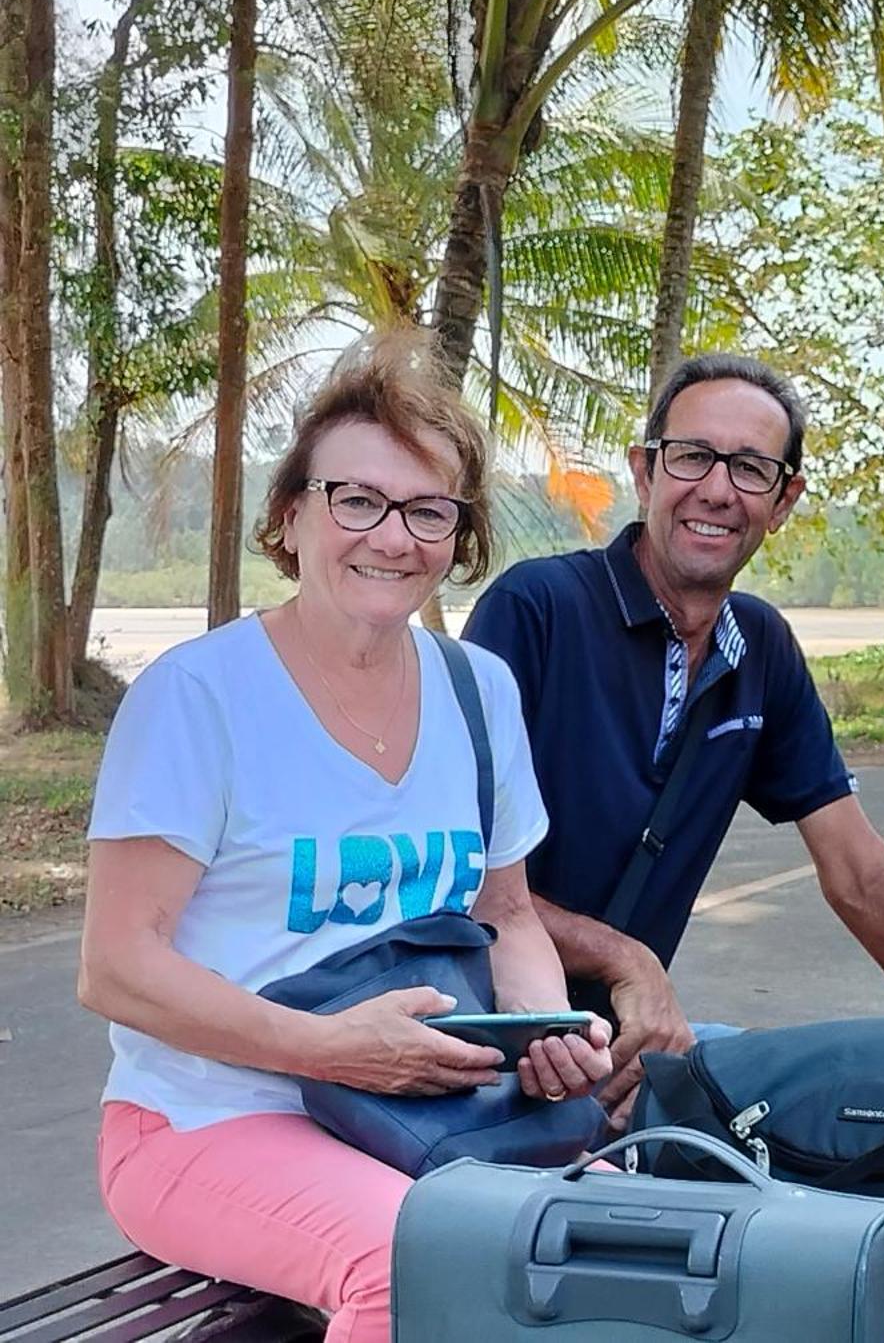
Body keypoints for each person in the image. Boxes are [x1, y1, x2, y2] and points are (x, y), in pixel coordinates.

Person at [79, 334, 611, 1343]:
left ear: (459, 536)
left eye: (426, 511)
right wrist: (331, 1053)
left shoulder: (477, 691)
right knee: (418, 1266)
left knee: (616, 1233)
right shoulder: (197, 699)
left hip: (430, 1111)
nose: (391, 536)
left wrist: (538, 1027)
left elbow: (506, 916)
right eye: (354, 500)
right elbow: (116, 967)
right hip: (207, 1118)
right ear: (291, 514)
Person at [464, 352, 884, 1125]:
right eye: (693, 456)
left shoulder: (760, 649)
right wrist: (626, 957)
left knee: (845, 1108)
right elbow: (456, 874)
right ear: (645, 473)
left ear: (784, 501)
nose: (716, 489)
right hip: (483, 1044)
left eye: (749, 468)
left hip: (627, 1052)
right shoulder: (537, 610)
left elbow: (858, 871)